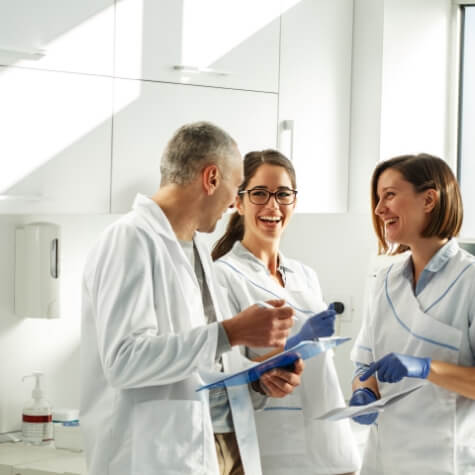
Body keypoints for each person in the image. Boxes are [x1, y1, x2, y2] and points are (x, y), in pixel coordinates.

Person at [80, 123, 305, 475]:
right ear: (211, 178)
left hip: (217, 446)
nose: (234, 203)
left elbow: (201, 363)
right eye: (236, 187)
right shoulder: (129, 240)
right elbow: (124, 361)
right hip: (152, 456)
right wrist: (230, 333)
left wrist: (258, 379)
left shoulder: (198, 248)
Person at [212, 149, 361, 475]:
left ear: (294, 201)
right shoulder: (223, 276)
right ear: (239, 202)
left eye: (282, 194)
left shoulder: (305, 275)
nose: (272, 205)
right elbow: (227, 375)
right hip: (272, 449)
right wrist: (296, 344)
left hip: (330, 444)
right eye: (260, 194)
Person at [349, 153, 475, 474]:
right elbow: (366, 364)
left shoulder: (470, 281)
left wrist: (424, 367)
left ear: (429, 199)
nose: (379, 209)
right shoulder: (384, 281)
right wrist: (363, 390)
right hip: (382, 461)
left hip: (446, 464)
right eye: (378, 199)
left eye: (389, 195)